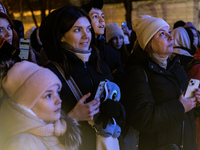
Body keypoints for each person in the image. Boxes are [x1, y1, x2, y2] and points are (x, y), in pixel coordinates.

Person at [39, 6, 125, 150]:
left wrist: (117, 109)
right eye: (77, 30)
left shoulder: (100, 64)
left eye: (88, 29)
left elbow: (119, 105)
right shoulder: (49, 74)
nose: (86, 36)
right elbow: (38, 126)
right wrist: (73, 117)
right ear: (61, 36)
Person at [119, 15, 200, 150]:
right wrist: (180, 107)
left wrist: (196, 102)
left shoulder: (176, 67)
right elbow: (142, 118)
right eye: (162, 34)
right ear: (148, 42)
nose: (170, 37)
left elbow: (188, 110)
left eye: (169, 32)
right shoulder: (138, 72)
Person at [0, 60, 81, 150]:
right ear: (26, 104)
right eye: (48, 95)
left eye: (57, 92)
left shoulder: (57, 128)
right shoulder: (20, 145)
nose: (59, 100)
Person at [82, 0, 124, 80]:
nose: (102, 20)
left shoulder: (109, 53)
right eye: (95, 16)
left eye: (102, 16)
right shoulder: (79, 52)